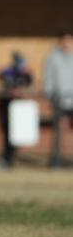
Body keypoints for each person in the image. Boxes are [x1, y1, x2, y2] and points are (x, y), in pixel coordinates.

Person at [0, 51, 34, 168]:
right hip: (6, 107)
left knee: (16, 136)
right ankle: (5, 159)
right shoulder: (7, 72)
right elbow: (3, 86)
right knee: (7, 134)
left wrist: (23, 92)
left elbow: (30, 89)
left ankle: (9, 158)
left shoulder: (27, 74)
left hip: (20, 109)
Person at [43, 29, 73, 168]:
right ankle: (56, 162)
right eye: (65, 40)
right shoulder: (53, 58)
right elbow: (48, 79)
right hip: (59, 99)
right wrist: (51, 96)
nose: (67, 43)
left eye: (69, 40)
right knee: (58, 132)